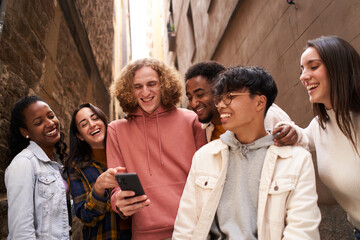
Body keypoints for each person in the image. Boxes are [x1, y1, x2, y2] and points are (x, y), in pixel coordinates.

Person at [173, 66, 321, 239]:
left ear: (259, 102)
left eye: (230, 97)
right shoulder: (204, 157)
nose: (221, 105)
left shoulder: (295, 159)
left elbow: (302, 231)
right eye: (219, 99)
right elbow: (185, 228)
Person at [107, 58, 207, 240]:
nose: (145, 92)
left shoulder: (191, 120)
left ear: (164, 85)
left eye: (152, 84)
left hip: (193, 229)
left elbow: (207, 177)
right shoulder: (116, 130)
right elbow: (115, 187)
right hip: (146, 233)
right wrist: (119, 201)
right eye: (138, 86)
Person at [296, 35, 360, 239]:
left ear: (338, 68)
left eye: (313, 66)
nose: (303, 76)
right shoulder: (318, 126)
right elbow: (294, 137)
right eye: (302, 69)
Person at [5, 95, 70, 239]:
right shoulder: (24, 164)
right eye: (38, 122)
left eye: (51, 116)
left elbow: (58, 212)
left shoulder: (55, 164)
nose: (50, 123)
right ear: (25, 132)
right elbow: (21, 233)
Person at [64, 103, 131, 239]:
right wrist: (98, 188)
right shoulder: (76, 166)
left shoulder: (126, 150)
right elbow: (85, 216)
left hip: (140, 232)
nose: (92, 124)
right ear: (80, 136)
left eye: (95, 118)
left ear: (104, 121)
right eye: (84, 124)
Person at [185, 61, 296, 142]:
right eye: (189, 98)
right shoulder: (205, 130)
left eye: (200, 95)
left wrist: (295, 134)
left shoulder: (265, 115)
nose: (194, 103)